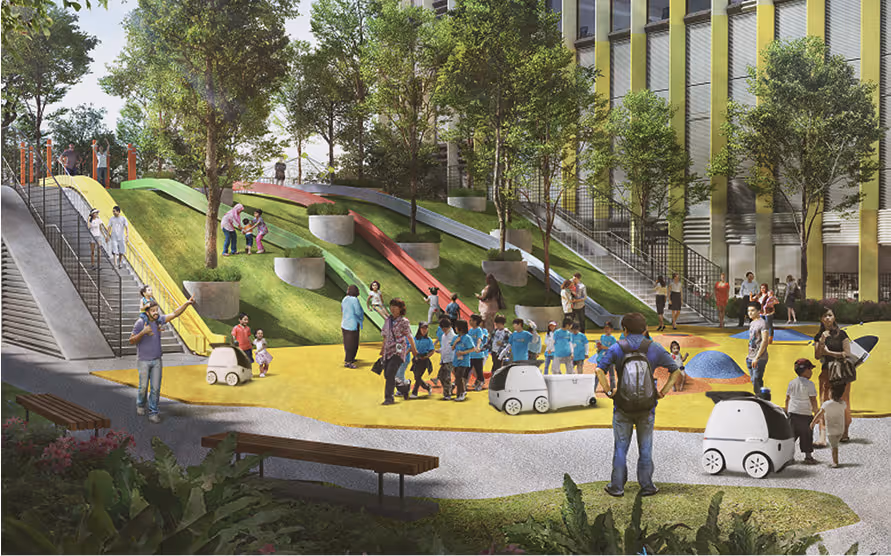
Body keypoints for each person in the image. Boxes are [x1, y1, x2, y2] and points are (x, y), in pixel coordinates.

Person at [595, 312, 680, 497]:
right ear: (645, 329)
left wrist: (609, 391)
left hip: (622, 407)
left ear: (624, 330)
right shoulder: (654, 348)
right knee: (646, 447)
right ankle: (647, 486)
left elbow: (599, 369)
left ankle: (617, 487)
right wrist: (662, 391)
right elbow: (675, 370)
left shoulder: (617, 348)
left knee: (620, 448)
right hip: (647, 407)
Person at [129, 296, 196, 423]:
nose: (155, 312)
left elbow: (175, 314)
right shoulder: (140, 323)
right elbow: (131, 340)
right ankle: (140, 404)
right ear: (147, 312)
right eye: (153, 310)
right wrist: (143, 332)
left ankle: (153, 412)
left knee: (155, 388)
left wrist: (186, 304)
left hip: (157, 361)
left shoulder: (159, 321)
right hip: (143, 361)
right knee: (143, 387)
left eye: (156, 310)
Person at [813, 308, 853, 444]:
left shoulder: (842, 334)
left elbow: (847, 353)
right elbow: (817, 355)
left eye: (830, 315)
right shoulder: (819, 335)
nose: (828, 318)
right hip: (826, 371)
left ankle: (845, 432)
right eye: (825, 316)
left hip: (842, 372)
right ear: (821, 319)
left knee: (844, 400)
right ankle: (822, 435)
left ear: (834, 317)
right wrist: (822, 340)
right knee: (824, 401)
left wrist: (830, 353)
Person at [381, 298, 418, 405]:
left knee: (390, 372)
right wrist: (382, 350)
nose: (392, 308)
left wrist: (414, 350)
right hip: (388, 351)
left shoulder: (404, 322)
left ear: (401, 308)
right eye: (391, 306)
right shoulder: (388, 320)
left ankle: (389, 398)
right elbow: (384, 335)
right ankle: (404, 387)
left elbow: (409, 336)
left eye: (395, 306)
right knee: (387, 375)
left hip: (398, 351)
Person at [786, 358, 819, 464]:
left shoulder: (792, 383)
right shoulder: (810, 384)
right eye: (810, 369)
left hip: (793, 413)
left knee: (791, 436)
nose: (811, 372)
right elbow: (813, 400)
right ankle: (808, 457)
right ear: (806, 371)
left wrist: (787, 411)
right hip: (805, 414)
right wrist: (816, 414)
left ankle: (788, 457)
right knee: (807, 436)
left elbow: (787, 399)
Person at [810, 383, 848, 468]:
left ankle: (835, 462)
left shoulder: (826, 404)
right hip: (840, 429)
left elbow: (820, 414)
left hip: (831, 430)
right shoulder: (842, 404)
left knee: (834, 447)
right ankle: (835, 460)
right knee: (835, 444)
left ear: (831, 394)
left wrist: (813, 422)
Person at [746, 301, 770, 394]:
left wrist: (757, 357)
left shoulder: (763, 323)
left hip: (759, 358)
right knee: (754, 381)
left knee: (757, 381)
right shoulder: (752, 323)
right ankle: (760, 398)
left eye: (752, 310)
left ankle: (761, 400)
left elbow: (764, 341)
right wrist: (749, 356)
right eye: (748, 311)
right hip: (750, 357)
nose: (750, 313)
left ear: (758, 311)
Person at [451, 319, 476, 402]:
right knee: (458, 377)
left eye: (456, 327)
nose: (455, 328)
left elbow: (472, 349)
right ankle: (463, 391)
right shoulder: (456, 337)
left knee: (458, 377)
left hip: (464, 361)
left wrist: (463, 352)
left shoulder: (467, 338)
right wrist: (456, 342)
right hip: (456, 361)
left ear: (460, 328)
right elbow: (452, 347)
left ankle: (460, 394)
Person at [341, 284, 364, 368]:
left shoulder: (345, 299)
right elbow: (358, 311)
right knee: (353, 343)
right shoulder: (355, 300)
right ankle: (349, 361)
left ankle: (349, 358)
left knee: (347, 342)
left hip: (344, 323)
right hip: (353, 324)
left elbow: (342, 309)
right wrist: (361, 317)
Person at [410, 323, 435, 398]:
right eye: (422, 328)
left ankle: (414, 392)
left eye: (426, 328)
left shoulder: (429, 340)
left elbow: (432, 350)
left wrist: (426, 356)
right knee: (416, 376)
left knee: (418, 376)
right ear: (419, 329)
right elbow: (411, 348)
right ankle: (427, 387)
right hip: (416, 359)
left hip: (424, 360)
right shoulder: (415, 339)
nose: (424, 330)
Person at [436, 318, 456, 400]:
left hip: (450, 359)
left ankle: (447, 394)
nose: (443, 329)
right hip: (444, 359)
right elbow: (444, 347)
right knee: (441, 376)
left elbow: (452, 348)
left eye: (444, 328)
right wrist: (440, 350)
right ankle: (449, 389)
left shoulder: (453, 336)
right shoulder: (444, 336)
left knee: (447, 377)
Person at [467, 314, 488, 391]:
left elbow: (479, 338)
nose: (470, 322)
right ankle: (465, 383)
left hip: (478, 355)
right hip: (471, 355)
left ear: (475, 321)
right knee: (468, 369)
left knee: (479, 370)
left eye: (471, 320)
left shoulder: (479, 330)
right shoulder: (470, 330)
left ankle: (481, 382)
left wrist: (478, 346)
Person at [596, 321, 618, 390]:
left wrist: (604, 347)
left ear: (611, 329)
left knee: (611, 375)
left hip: (609, 358)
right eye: (605, 328)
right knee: (598, 373)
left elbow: (613, 348)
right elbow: (600, 347)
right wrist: (599, 347)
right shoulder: (602, 337)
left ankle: (612, 388)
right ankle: (594, 388)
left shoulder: (613, 339)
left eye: (608, 328)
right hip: (601, 357)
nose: (606, 330)